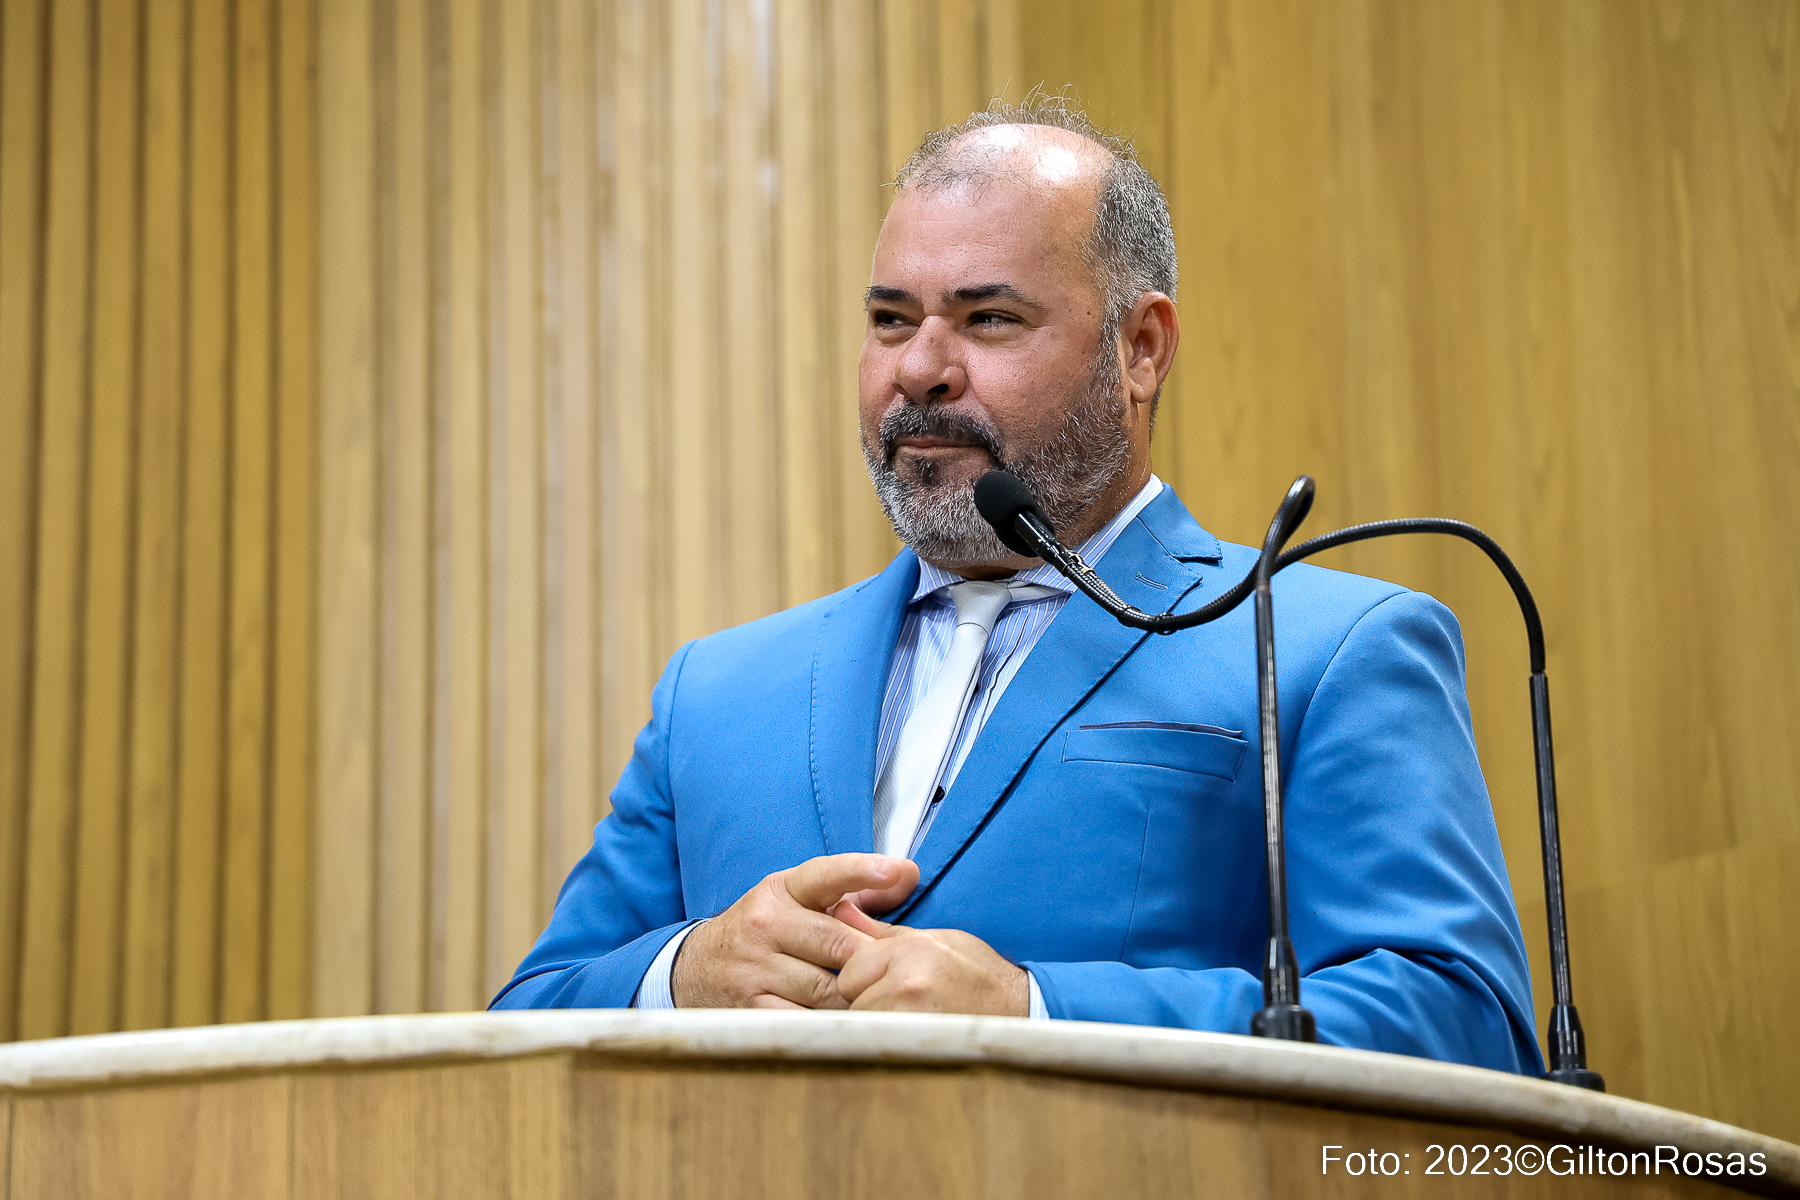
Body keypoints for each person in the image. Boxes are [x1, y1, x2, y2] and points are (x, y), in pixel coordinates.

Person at [491, 99, 1542, 1074]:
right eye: (891, 320)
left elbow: (1466, 1026)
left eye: (988, 319)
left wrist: (1034, 1011)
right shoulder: (714, 693)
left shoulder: (1327, 648)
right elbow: (521, 1027)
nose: (920, 369)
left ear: (1141, 349)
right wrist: (680, 976)